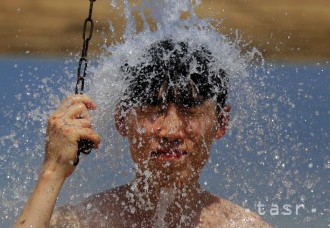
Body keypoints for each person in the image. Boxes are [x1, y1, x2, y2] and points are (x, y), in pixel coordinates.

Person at [15, 39, 270, 227]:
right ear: (122, 120)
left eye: (189, 111)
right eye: (153, 111)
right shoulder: (86, 220)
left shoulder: (242, 225)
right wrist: (53, 170)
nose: (171, 131)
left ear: (221, 122)